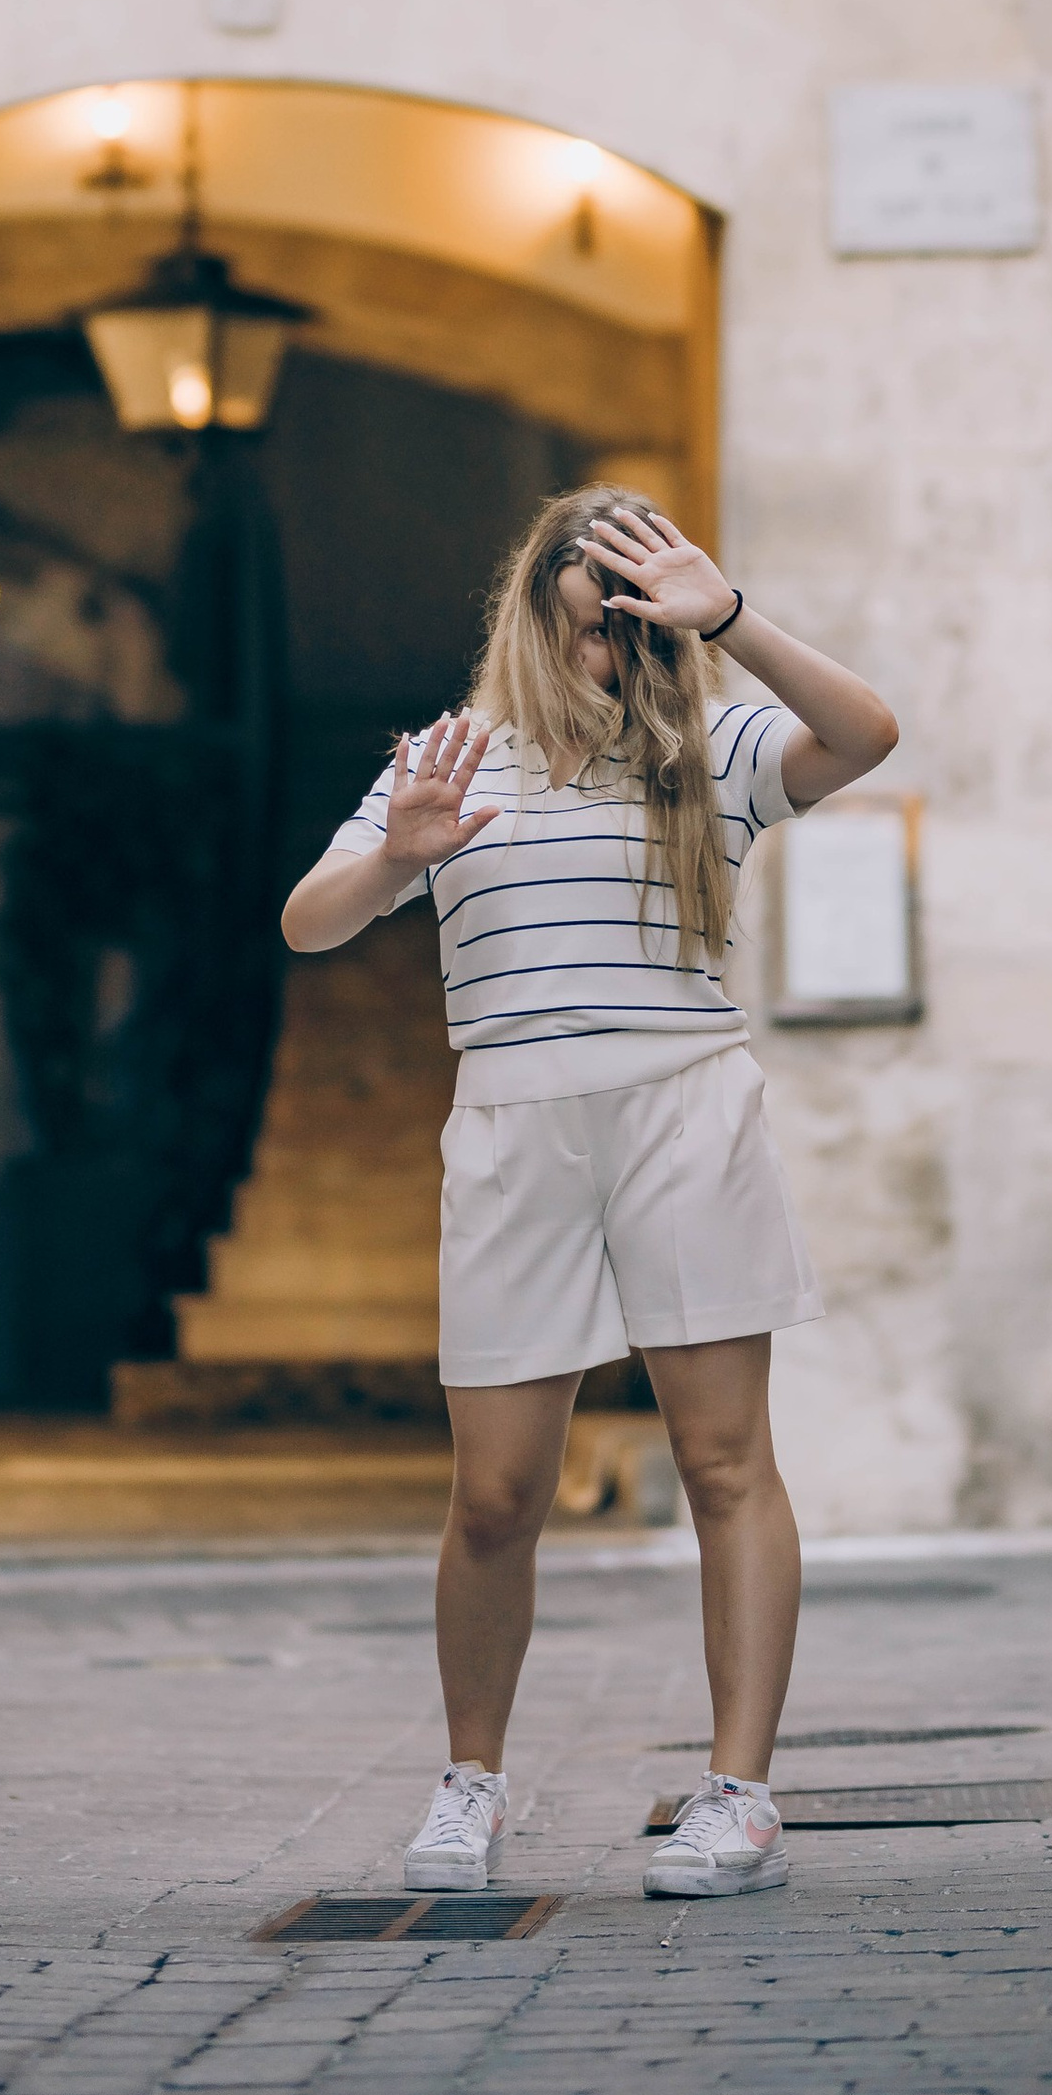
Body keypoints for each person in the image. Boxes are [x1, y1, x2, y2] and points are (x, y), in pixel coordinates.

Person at [283, 490, 897, 1903]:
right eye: (580, 628)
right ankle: (470, 1786)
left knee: (725, 1461)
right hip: (512, 1122)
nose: (601, 662)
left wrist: (730, 617)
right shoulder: (448, 761)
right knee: (496, 1492)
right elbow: (307, 921)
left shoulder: (718, 749)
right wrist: (397, 855)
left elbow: (867, 731)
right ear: (529, 613)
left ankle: (739, 1798)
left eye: (628, 633)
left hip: (686, 1105)